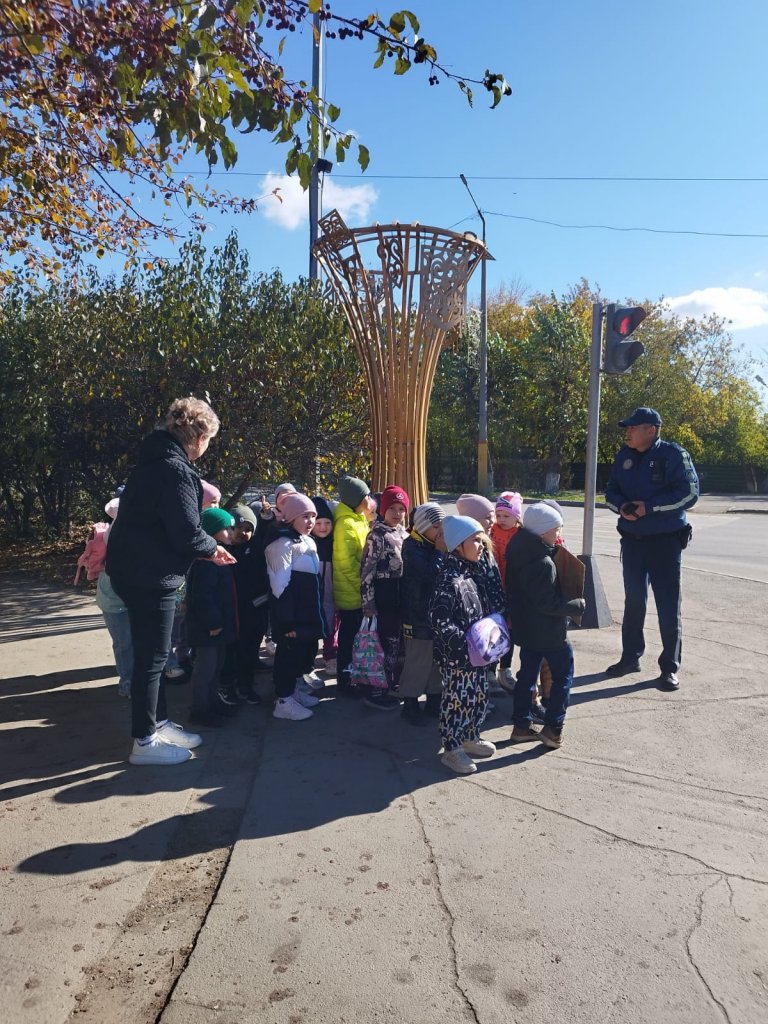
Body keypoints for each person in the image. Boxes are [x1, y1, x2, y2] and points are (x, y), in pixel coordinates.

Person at [106, 396, 235, 766]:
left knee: (153, 655)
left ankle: (157, 723)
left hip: (133, 570)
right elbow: (185, 532)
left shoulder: (154, 460)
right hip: (150, 575)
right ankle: (144, 741)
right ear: (199, 438)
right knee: (153, 659)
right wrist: (212, 548)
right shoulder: (175, 469)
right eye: (209, 440)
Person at [604, 407, 699, 690]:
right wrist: (622, 506)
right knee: (634, 602)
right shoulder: (624, 457)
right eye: (628, 428)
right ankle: (630, 658)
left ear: (652, 430)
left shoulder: (673, 455)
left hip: (665, 544)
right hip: (633, 542)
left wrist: (650, 508)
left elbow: (690, 494)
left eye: (634, 428)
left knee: (668, 606)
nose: (628, 432)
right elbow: (610, 492)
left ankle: (669, 667)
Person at [429, 515, 506, 775]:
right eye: (475, 541)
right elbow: (439, 620)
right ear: (458, 545)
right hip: (458, 658)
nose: (482, 546)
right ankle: (452, 748)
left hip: (477, 656)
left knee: (478, 696)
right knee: (457, 700)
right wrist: (465, 644)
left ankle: (470, 736)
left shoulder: (472, 573)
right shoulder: (448, 579)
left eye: (482, 541)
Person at [506, 502, 585, 749]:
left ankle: (521, 726)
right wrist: (577, 605)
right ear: (542, 532)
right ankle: (554, 729)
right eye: (556, 530)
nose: (558, 534)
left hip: (526, 627)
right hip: (549, 632)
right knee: (563, 677)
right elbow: (548, 603)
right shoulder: (542, 562)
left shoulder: (518, 546)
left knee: (527, 676)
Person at [265, 493, 327, 721]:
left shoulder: (306, 541)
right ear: (291, 518)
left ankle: (292, 691)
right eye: (305, 516)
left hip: (306, 611)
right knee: (287, 655)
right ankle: (283, 700)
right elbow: (279, 587)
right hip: (291, 615)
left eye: (313, 516)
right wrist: (287, 622)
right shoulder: (281, 545)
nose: (311, 521)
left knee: (300, 653)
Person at [185, 507, 239, 727]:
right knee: (205, 670)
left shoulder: (217, 558)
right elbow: (203, 597)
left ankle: (212, 702)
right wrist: (214, 622)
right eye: (227, 529)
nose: (232, 532)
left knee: (216, 667)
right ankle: (200, 709)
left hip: (219, 626)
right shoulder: (205, 563)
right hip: (208, 628)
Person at [359, 484, 410, 711]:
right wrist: (368, 602)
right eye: (392, 508)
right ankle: (375, 689)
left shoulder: (404, 534)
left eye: (401, 509)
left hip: (401, 595)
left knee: (398, 644)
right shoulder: (377, 535)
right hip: (384, 593)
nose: (397, 513)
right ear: (383, 510)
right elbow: (366, 571)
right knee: (384, 643)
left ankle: (392, 682)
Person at [399, 502, 446, 726]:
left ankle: (434, 699)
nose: (441, 532)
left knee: (437, 659)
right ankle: (410, 702)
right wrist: (439, 551)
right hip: (417, 615)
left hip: (436, 614)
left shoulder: (433, 545)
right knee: (417, 660)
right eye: (436, 527)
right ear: (423, 526)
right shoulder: (411, 546)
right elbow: (429, 575)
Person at [332, 475, 376, 693]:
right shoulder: (346, 524)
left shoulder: (358, 519)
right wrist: (363, 584)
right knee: (349, 638)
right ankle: (345, 680)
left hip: (358, 591)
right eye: (366, 495)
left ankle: (354, 676)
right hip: (352, 593)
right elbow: (347, 563)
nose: (370, 499)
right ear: (356, 499)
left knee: (355, 636)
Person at [94, 496, 133, 698]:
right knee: (124, 643)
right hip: (114, 599)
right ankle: (128, 683)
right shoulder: (118, 532)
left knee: (127, 642)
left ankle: (132, 682)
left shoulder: (123, 529)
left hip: (121, 597)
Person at [489, 491, 523, 688]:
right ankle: (490, 670)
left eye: (506, 516)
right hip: (496, 588)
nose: (501, 519)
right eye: (498, 515)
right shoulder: (492, 531)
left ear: (517, 516)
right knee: (495, 631)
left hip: (514, 589)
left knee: (510, 632)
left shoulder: (521, 534)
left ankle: (505, 669)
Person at [311, 495, 338, 679]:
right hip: (313, 590)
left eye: (327, 523)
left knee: (332, 623)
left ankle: (330, 655)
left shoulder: (334, 542)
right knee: (313, 622)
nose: (323, 527)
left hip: (331, 589)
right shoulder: (308, 542)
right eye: (318, 523)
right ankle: (309, 657)